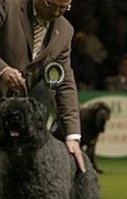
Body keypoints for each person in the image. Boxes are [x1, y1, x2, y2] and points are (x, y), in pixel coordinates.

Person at [0, 0, 85, 172]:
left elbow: (65, 83)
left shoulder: (65, 31)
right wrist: (2, 70)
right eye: (51, 5)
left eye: (64, 8)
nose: (56, 13)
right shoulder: (7, 5)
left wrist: (72, 136)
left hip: (18, 120)